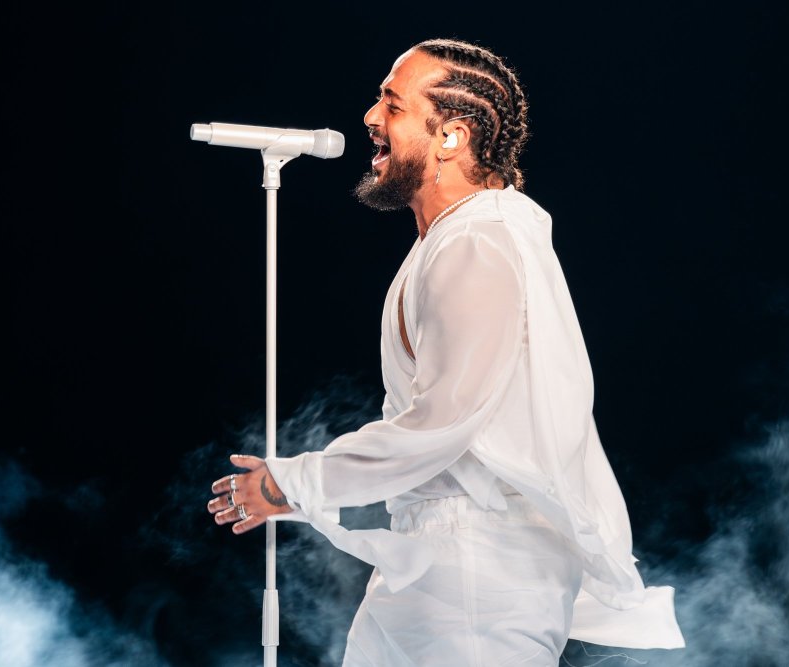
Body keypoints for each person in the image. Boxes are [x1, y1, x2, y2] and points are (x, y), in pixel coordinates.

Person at [208, 38, 684, 665]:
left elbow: (442, 422)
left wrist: (297, 482)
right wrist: (300, 489)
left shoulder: (478, 243)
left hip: (475, 588)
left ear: (452, 137)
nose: (371, 119)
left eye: (392, 104)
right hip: (440, 573)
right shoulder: (460, 237)